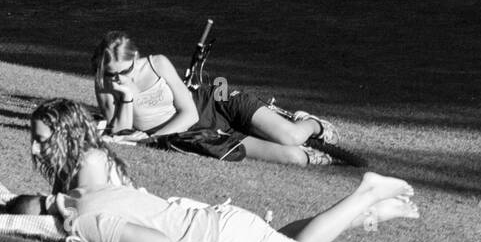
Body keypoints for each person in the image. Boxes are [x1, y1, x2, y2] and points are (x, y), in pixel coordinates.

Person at [15, 98, 481, 242]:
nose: (33, 150)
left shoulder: (87, 188)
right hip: (225, 227)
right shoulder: (87, 182)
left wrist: (72, 225)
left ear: (63, 135)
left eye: (40, 139)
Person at [92, 31, 340, 165]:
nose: (117, 77)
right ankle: (290, 140)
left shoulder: (157, 63)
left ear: (135, 58)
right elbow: (121, 132)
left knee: (292, 136)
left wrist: (152, 137)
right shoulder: (105, 85)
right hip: (196, 135)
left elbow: (188, 112)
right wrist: (124, 95)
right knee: (294, 157)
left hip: (215, 103)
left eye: (124, 71)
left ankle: (311, 123)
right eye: (111, 73)